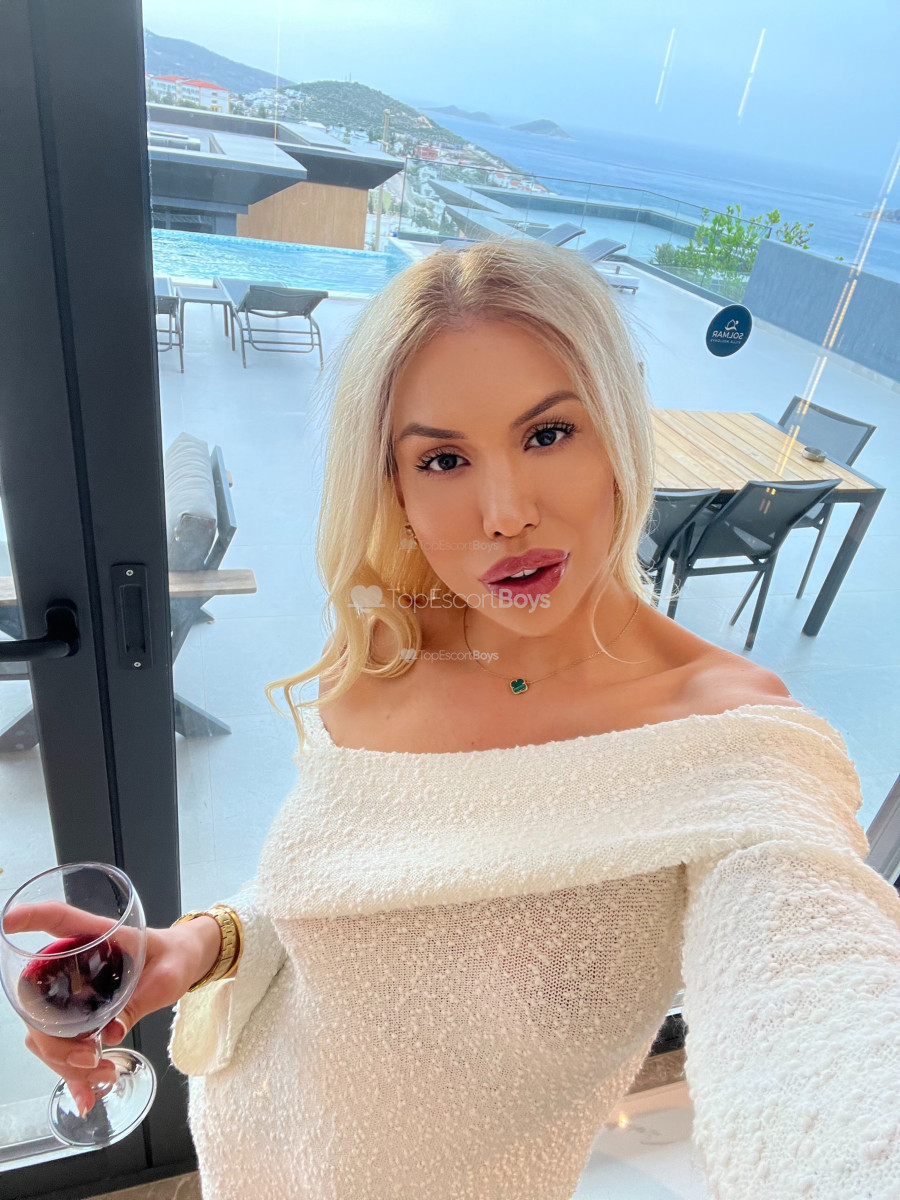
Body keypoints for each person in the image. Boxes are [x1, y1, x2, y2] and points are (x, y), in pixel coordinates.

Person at [19, 239, 900, 1198]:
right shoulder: (388, 652)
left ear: (620, 429)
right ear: (395, 488)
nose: (505, 512)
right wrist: (199, 944)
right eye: (443, 458)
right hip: (250, 1155)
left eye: (549, 434)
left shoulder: (735, 747)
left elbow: (819, 1010)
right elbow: (347, 894)